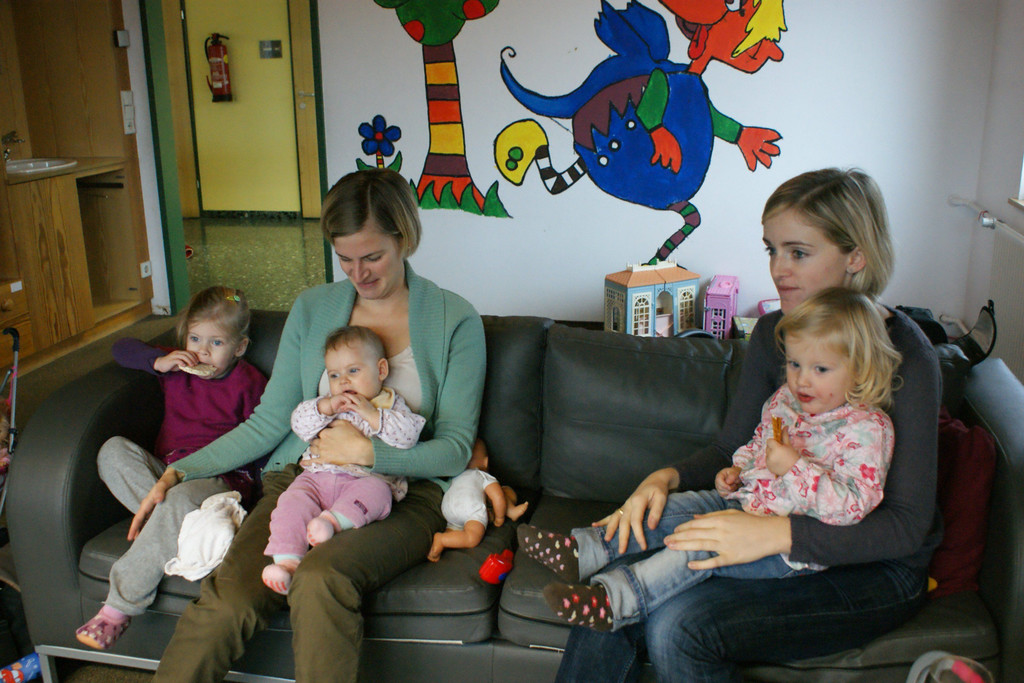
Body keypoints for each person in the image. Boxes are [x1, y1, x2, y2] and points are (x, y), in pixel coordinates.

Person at [554, 168, 942, 682]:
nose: (779, 269)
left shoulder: (907, 354)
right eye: (771, 250)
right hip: (772, 518)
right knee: (611, 583)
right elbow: (732, 449)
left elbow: (905, 526)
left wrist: (778, 534)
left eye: (798, 252)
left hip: (874, 569)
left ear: (856, 257)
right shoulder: (773, 334)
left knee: (678, 626)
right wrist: (664, 478)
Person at [148, 168, 486, 683]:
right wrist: (179, 472)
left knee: (321, 579)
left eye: (372, 256)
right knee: (229, 600)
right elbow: (269, 422)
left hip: (403, 494)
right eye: (345, 258)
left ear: (405, 238)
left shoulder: (454, 319)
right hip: (305, 480)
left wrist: (369, 454)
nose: (358, 274)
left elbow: (456, 448)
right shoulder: (312, 309)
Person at [522, 287, 901, 631]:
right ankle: (584, 551)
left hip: (785, 550)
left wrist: (794, 468)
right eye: (794, 364)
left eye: (820, 369)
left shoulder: (868, 429)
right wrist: (737, 470)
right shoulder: (786, 400)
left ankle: (615, 602)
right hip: (743, 501)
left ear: (860, 370)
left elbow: (852, 507)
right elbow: (758, 443)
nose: (802, 380)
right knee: (673, 508)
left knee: (697, 543)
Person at [76, 286, 267, 651]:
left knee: (179, 499)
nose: (202, 352)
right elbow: (121, 348)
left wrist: (255, 496)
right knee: (111, 451)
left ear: (239, 347)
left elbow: (263, 438)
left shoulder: (250, 383)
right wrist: (157, 362)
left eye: (216, 343)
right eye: (195, 339)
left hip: (217, 480)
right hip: (166, 472)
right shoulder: (177, 366)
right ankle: (174, 529)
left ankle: (118, 608)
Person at [262, 325, 426, 594]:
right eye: (334, 375)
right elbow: (299, 425)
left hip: (365, 479)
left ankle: (333, 522)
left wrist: (372, 414)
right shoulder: (327, 404)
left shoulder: (391, 405)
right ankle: (287, 562)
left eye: (353, 371)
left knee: (378, 493)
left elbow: (408, 437)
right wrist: (324, 407)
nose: (343, 382)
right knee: (291, 502)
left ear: (381, 370)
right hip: (316, 478)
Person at [428, 438, 528, 562]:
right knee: (472, 537)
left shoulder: (456, 476)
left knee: (455, 529)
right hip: (470, 508)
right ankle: (442, 540)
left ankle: (442, 544)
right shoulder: (482, 475)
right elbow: (498, 497)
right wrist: (499, 518)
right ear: (486, 462)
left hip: (448, 509)